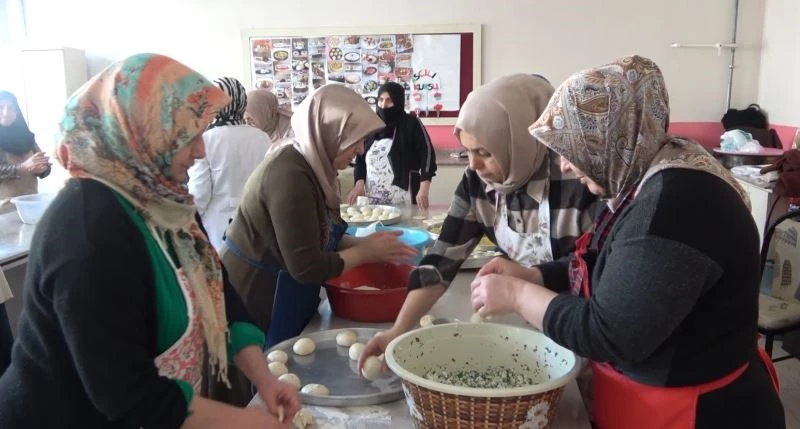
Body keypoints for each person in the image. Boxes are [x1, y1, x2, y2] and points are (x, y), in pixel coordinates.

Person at [470, 56, 785, 429]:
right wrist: (535, 275)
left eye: (573, 146)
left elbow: (610, 333)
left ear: (610, 136)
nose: (565, 165)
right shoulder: (649, 173)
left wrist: (517, 294)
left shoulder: (676, 204)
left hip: (703, 413)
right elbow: (610, 261)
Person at [0, 53, 300, 429]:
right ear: (139, 133)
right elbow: (127, 391)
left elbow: (218, 292)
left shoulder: (166, 202)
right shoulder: (86, 231)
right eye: (187, 136)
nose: (201, 150)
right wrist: (247, 423)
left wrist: (265, 380)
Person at [359, 74, 598, 369]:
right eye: (467, 151)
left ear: (521, 142)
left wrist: (531, 277)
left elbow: (594, 266)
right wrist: (398, 330)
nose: (473, 165)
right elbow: (441, 260)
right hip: (532, 323)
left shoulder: (577, 181)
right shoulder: (477, 183)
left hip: (584, 327)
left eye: (484, 152)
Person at [220, 84, 416, 400]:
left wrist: (369, 245)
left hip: (285, 288)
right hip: (258, 295)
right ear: (330, 131)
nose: (361, 151)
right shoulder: (290, 174)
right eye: (356, 140)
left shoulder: (315, 167)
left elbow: (318, 236)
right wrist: (366, 252)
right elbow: (306, 265)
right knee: (257, 388)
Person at [188, 77, 272, 250]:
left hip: (219, 231)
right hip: (258, 225)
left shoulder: (206, 140)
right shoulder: (262, 137)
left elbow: (199, 194)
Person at [347, 82, 436, 209]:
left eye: (389, 100)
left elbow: (427, 156)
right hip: (373, 199)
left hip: (405, 196)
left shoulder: (411, 123)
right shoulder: (371, 125)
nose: (383, 105)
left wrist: (424, 189)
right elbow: (360, 158)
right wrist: (359, 184)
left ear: (398, 101)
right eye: (381, 100)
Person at [0, 90, 51, 213]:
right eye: (1, 107)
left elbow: (44, 165)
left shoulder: (26, 136)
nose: (6, 113)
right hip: (4, 207)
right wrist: (23, 167)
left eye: (11, 108)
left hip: (30, 203)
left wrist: (43, 168)